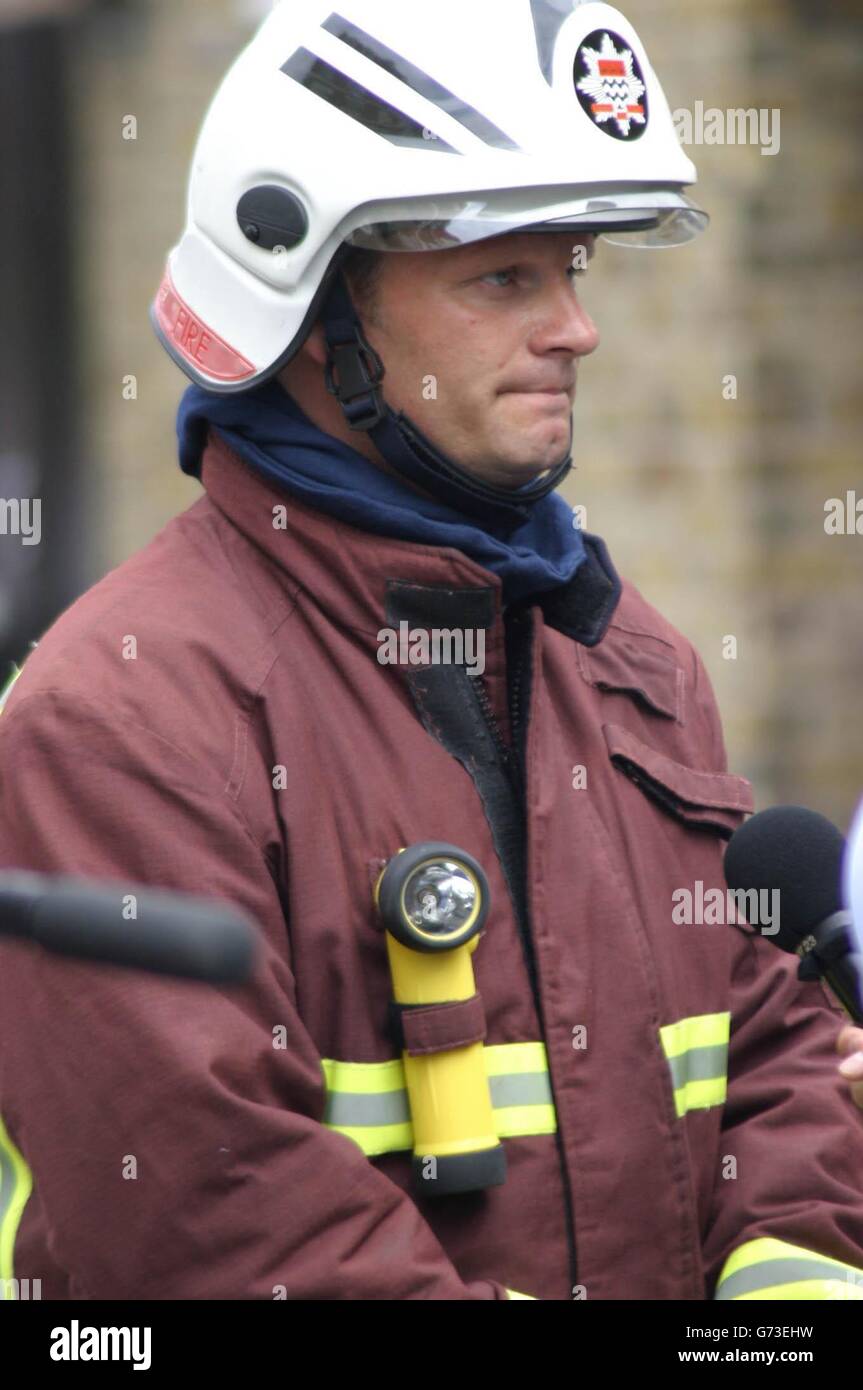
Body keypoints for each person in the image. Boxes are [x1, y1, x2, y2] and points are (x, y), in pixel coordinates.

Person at [0, 0, 862, 1302]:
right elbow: (205, 1223)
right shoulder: (118, 720)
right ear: (310, 310)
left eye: (574, 266)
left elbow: (778, 1047)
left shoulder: (634, 662)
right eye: (504, 277)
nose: (576, 325)